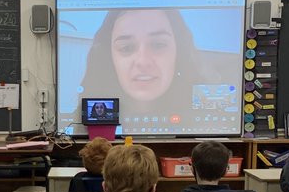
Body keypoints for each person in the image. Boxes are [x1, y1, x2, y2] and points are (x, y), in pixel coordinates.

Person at [79, 8, 236, 129]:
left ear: (179, 52)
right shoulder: (84, 121)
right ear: (109, 58)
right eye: (126, 48)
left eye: (158, 45)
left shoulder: (209, 119)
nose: (143, 61)